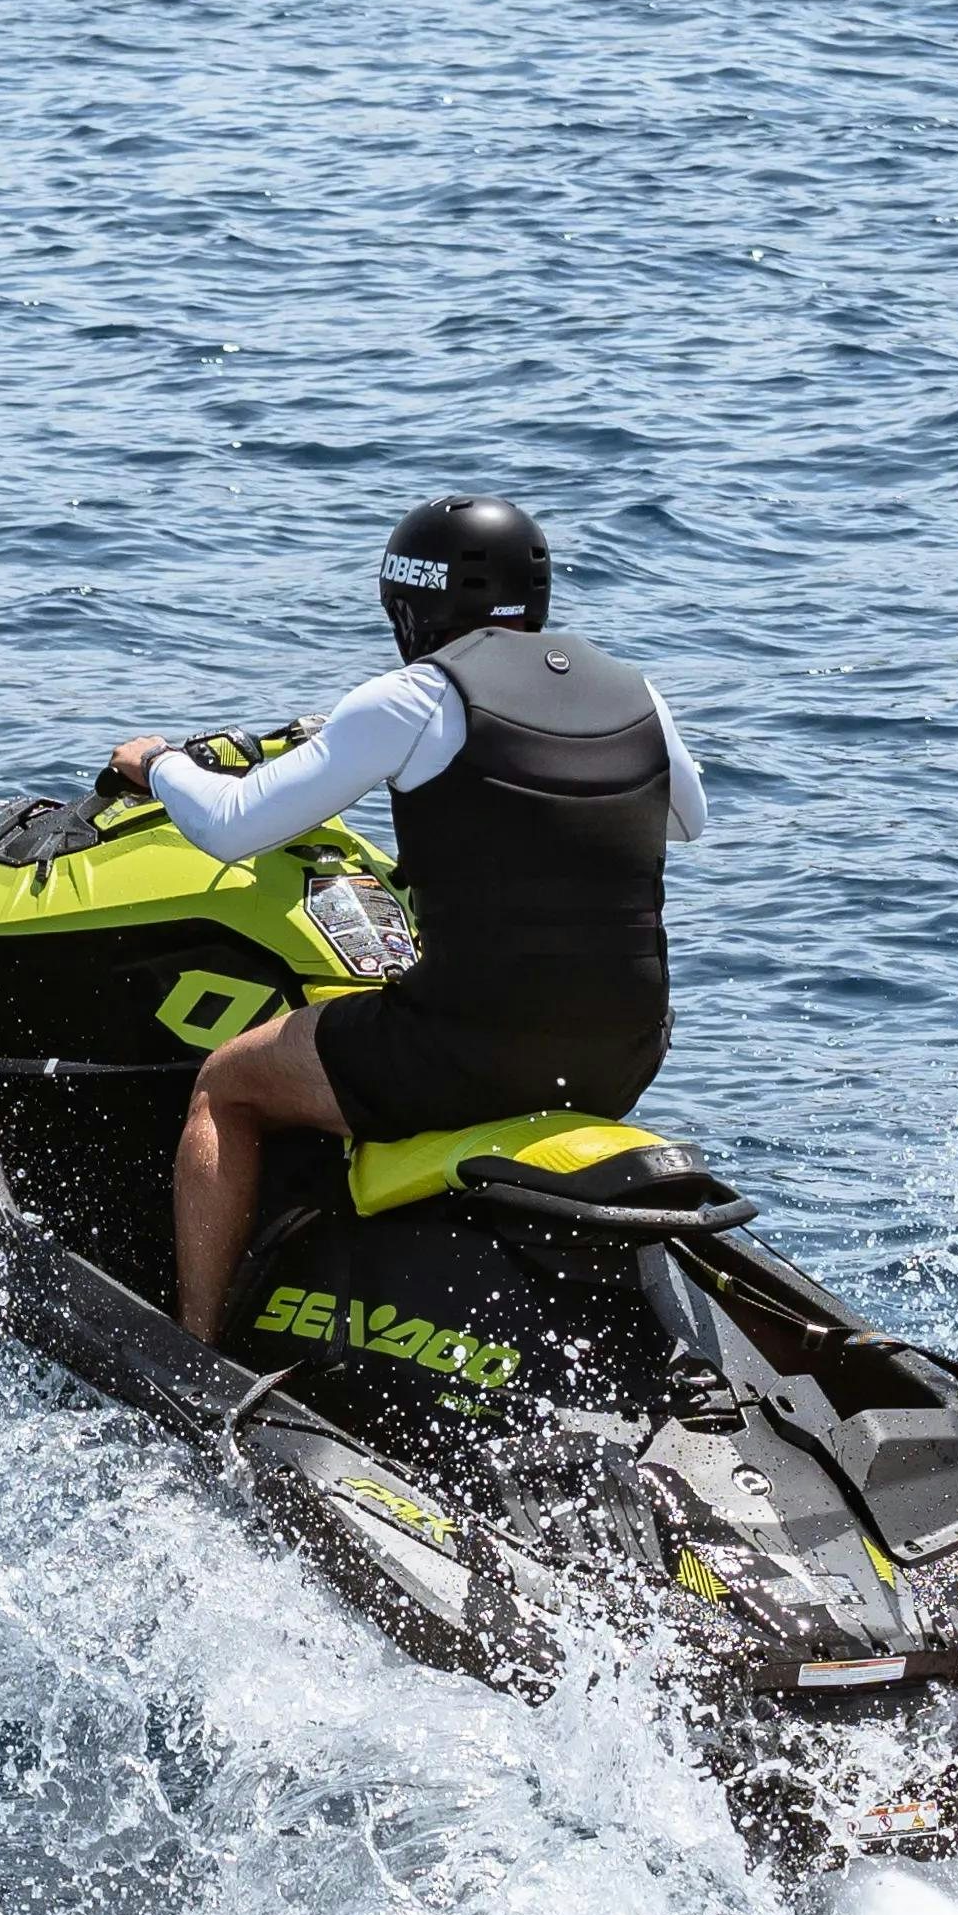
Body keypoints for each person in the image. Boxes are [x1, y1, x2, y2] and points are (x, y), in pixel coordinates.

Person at [104, 492, 711, 1350]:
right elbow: (687, 819)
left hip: (469, 1050)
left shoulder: (411, 697)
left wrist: (158, 763)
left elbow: (233, 822)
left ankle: (196, 1350)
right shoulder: (632, 689)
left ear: (409, 606)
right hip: (625, 1052)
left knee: (227, 1086)